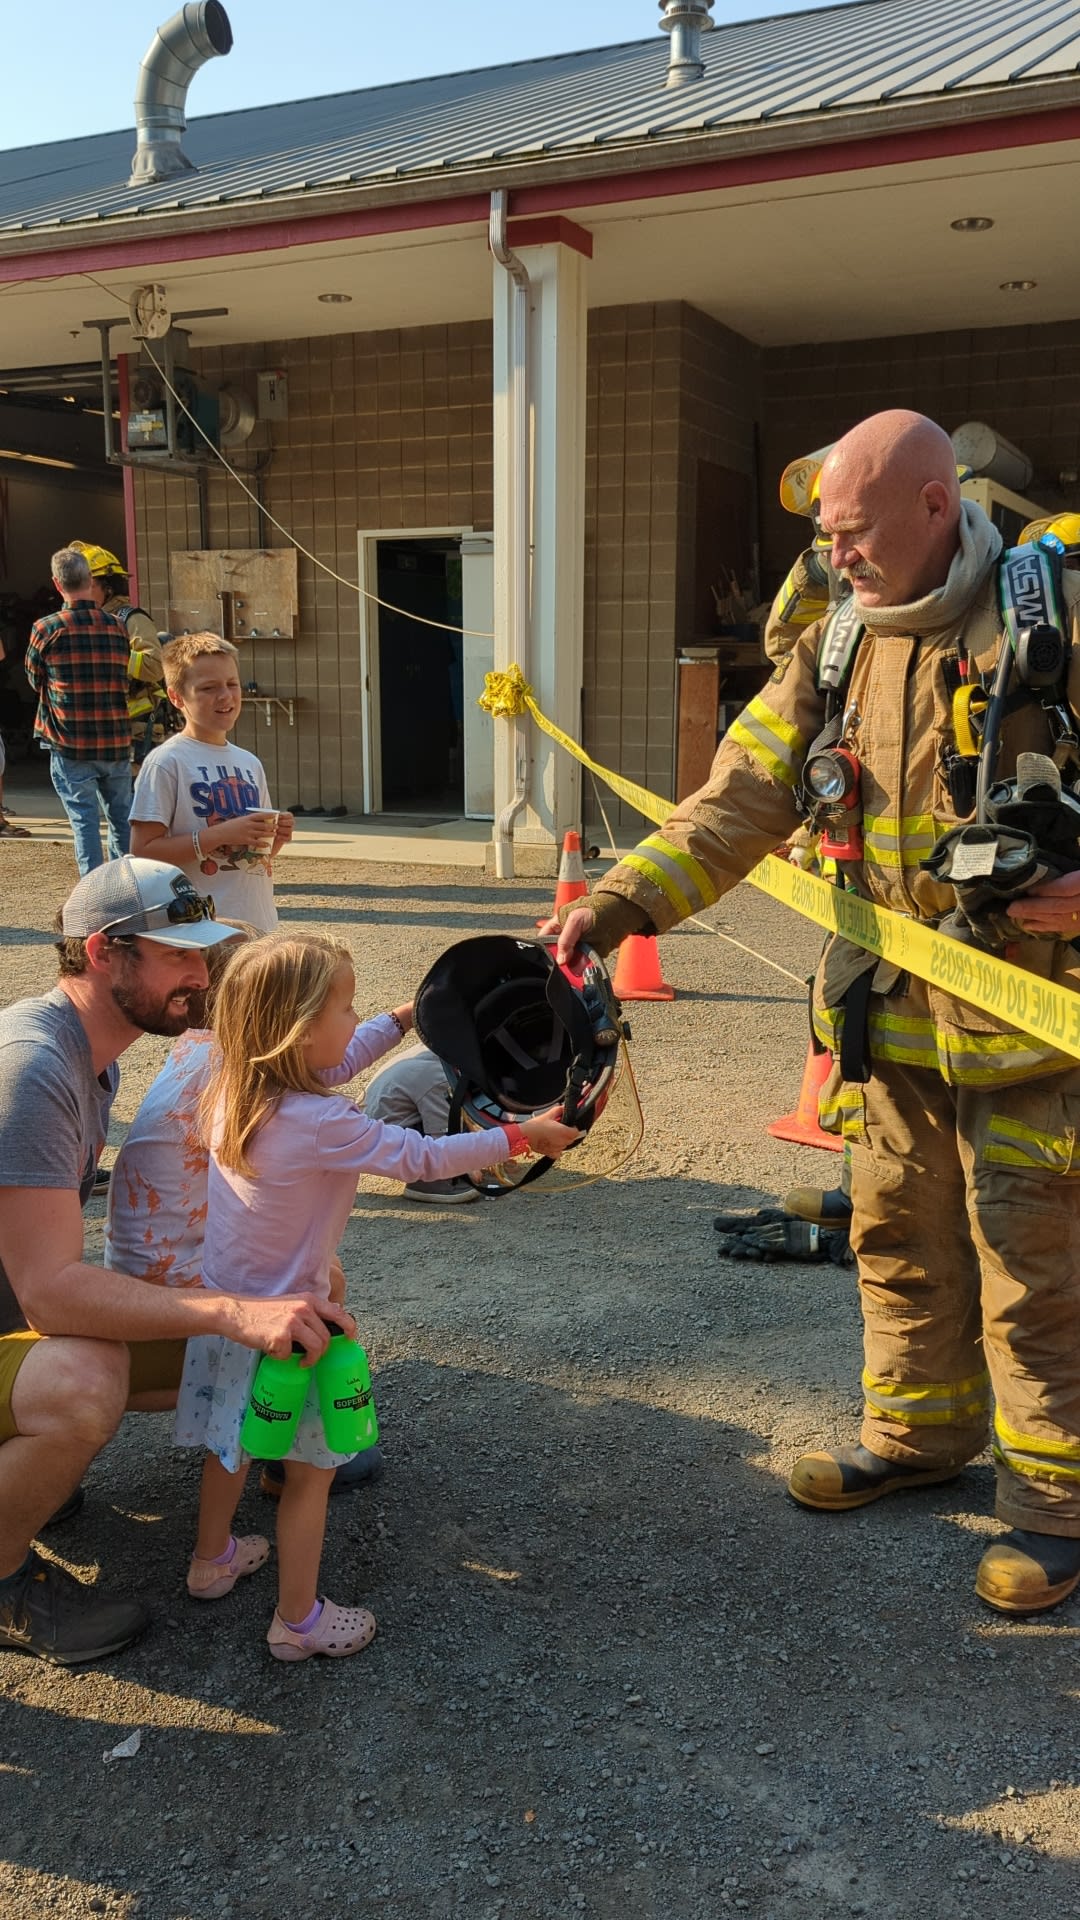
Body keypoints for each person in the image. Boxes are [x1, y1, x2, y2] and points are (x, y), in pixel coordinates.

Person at [553, 409, 1080, 1616]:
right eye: (828, 538)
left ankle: (1053, 1509)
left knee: (1034, 1268)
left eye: (852, 533)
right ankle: (916, 1440)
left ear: (937, 506)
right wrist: (623, 901)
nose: (834, 556)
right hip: (892, 1019)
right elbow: (740, 795)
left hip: (1036, 1025)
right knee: (896, 1235)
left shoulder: (1055, 618)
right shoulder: (836, 643)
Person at [175, 932, 578, 1661]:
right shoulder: (320, 1122)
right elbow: (419, 1157)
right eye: (345, 1006)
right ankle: (297, 1622)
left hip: (228, 1314)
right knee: (309, 1476)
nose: (355, 1019)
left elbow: (342, 1053)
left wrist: (401, 1019)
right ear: (297, 1029)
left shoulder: (232, 1081)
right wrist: (521, 1136)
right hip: (293, 1332)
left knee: (230, 1442)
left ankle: (213, 1562)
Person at [0, 856, 352, 1667]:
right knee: (86, 1378)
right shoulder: (34, 1070)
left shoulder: (91, 1050)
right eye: (179, 956)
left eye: (203, 953)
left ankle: (33, 1477)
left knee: (281, 1299)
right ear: (101, 953)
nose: (202, 975)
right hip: (22, 1312)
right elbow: (51, 1295)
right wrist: (238, 1312)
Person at [105, 925, 384, 1496]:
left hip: (142, 1266)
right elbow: (334, 1079)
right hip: (177, 1293)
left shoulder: (203, 1051)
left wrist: (402, 1019)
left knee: (308, 1266)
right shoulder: (243, 1074)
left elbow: (332, 1066)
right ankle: (278, 1442)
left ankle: (255, 1438)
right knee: (320, 1280)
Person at [130, 632, 293, 934]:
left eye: (232, 683)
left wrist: (275, 838)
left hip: (256, 925)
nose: (226, 696)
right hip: (200, 930)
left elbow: (253, 859)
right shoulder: (167, 762)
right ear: (176, 697)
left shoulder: (249, 763)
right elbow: (143, 851)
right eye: (208, 688)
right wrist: (218, 834)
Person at [24, 546, 132, 875]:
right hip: (114, 741)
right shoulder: (117, 626)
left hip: (70, 743)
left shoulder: (46, 628)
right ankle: (129, 884)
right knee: (122, 821)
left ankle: (94, 893)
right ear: (90, 579)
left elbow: (34, 678)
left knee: (84, 823)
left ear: (57, 584)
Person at [69, 541, 166, 766]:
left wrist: (113, 655)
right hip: (93, 731)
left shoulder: (131, 619)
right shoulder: (82, 622)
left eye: (86, 584)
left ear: (107, 586)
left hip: (131, 732)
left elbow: (154, 666)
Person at [363, 1042, 480, 1204]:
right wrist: (467, 1165)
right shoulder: (438, 1076)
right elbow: (445, 1135)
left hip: (376, 1131)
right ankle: (433, 1180)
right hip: (382, 1142)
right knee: (454, 1132)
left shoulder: (433, 1051)